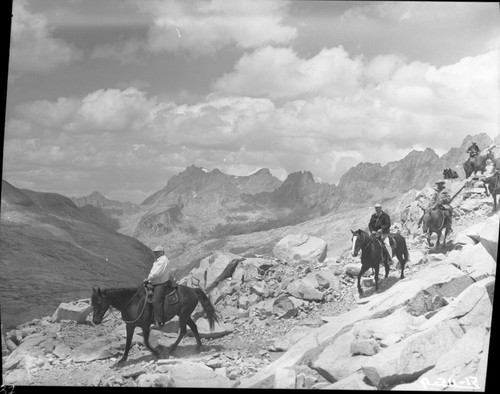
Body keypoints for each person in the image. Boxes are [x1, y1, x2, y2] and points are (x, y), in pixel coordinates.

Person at [144, 245, 173, 327]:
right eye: (154, 252)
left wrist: (149, 278)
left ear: (161, 252)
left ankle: (159, 321)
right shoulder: (157, 260)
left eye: (156, 252)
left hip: (160, 283)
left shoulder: (163, 260)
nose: (155, 253)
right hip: (154, 282)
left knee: (155, 301)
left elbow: (157, 273)